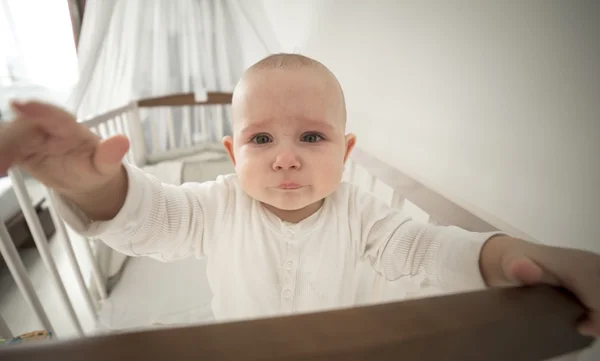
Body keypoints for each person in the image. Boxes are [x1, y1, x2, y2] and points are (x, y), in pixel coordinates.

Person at [0, 54, 598, 336]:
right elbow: (156, 217)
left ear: (346, 151)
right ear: (234, 157)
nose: (286, 155)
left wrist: (528, 255)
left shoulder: (364, 216)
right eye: (261, 138)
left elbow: (429, 250)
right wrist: (101, 187)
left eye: (312, 136)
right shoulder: (216, 205)